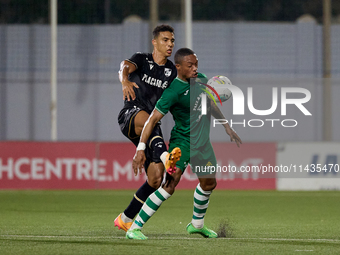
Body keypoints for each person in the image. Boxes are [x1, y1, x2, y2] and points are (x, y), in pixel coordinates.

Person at [126, 48, 242, 240]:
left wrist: (226, 126)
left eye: (196, 64)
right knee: (170, 185)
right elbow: (152, 120)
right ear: (178, 67)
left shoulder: (202, 80)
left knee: (209, 183)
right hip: (183, 142)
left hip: (203, 143)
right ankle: (135, 227)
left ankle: (196, 225)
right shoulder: (173, 91)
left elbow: (209, 103)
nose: (195, 69)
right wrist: (141, 148)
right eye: (190, 66)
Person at [115, 25, 181, 232]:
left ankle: (125, 218)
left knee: (155, 179)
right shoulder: (142, 59)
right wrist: (125, 80)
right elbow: (124, 66)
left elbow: (175, 97)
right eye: (165, 40)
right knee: (148, 120)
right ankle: (165, 156)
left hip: (151, 126)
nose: (170, 44)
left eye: (172, 40)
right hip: (132, 116)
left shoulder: (171, 71)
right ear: (155, 42)